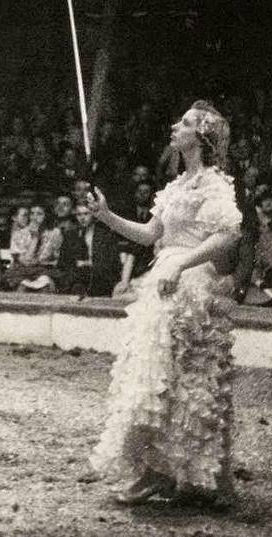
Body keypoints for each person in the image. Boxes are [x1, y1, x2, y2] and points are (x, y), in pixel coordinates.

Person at [87, 100, 242, 507]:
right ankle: (159, 471)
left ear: (201, 138)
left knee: (188, 381)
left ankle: (181, 474)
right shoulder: (174, 187)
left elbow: (226, 236)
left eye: (185, 123)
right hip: (165, 282)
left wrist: (181, 265)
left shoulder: (214, 185)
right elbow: (149, 234)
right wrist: (106, 216)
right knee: (159, 377)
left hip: (191, 284)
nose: (176, 126)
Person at [54, 201, 125, 298]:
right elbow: (63, 263)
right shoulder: (70, 235)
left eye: (86, 214)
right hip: (77, 277)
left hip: (100, 277)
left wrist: (90, 263)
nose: (82, 218)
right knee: (74, 283)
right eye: (79, 214)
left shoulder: (106, 235)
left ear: (93, 214)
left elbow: (114, 263)